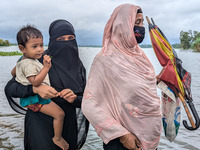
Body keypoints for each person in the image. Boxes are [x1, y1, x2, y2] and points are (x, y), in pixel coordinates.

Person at [82, 4, 161, 150]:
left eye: (142, 22)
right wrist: (123, 135)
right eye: (136, 23)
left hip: (148, 141)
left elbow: (137, 87)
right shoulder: (105, 60)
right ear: (122, 25)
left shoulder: (140, 57)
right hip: (122, 143)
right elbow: (89, 104)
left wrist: (162, 81)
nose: (141, 27)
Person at [4, 19, 89, 150]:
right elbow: (10, 88)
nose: (67, 43)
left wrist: (75, 99)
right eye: (61, 39)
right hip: (39, 123)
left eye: (71, 38)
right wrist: (35, 89)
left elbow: (88, 99)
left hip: (67, 125)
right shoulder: (38, 59)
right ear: (52, 40)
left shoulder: (78, 66)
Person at [11, 25, 69, 150]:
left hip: (31, 99)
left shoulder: (22, 60)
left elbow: (12, 73)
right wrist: (46, 67)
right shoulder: (28, 64)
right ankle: (57, 138)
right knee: (59, 114)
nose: (40, 50)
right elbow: (36, 82)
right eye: (35, 46)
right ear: (22, 48)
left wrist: (20, 75)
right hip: (35, 99)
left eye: (41, 45)